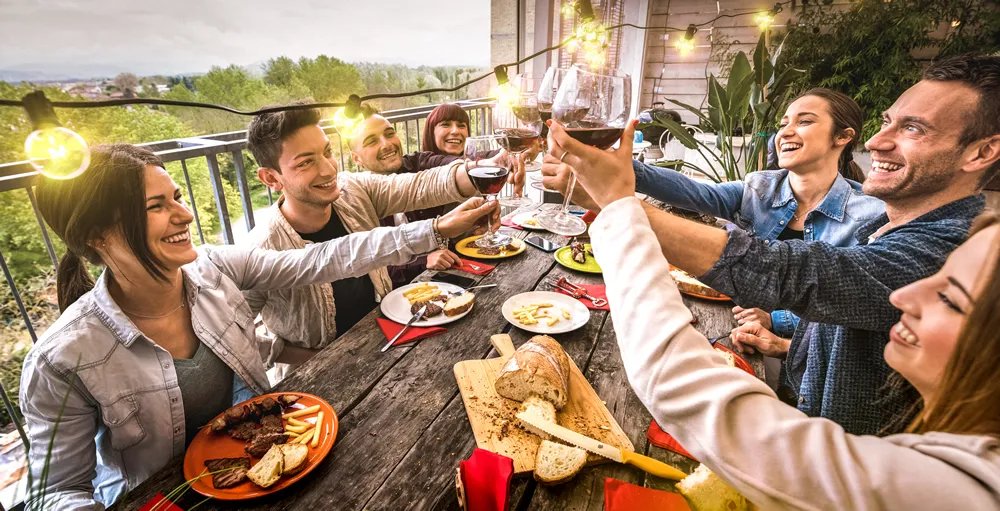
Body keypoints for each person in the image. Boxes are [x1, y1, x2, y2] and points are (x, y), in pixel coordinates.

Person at [18, 144, 496, 509]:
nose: (185, 214)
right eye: (156, 206)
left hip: (266, 466)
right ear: (96, 236)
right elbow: (55, 492)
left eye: (177, 197)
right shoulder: (63, 358)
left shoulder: (213, 267)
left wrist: (434, 230)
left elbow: (319, 260)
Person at [543, 54, 1000, 435]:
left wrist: (619, 204)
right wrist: (620, 173)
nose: (879, 142)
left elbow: (803, 276)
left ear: (982, 152)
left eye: (914, 129)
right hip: (794, 398)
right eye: (886, 123)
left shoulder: (957, 248)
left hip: (841, 469)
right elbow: (844, 314)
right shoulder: (780, 190)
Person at [586, 163, 1000, 508]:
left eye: (950, 299)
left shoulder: (948, 489)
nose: (903, 296)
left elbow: (688, 390)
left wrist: (621, 215)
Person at [631, 89, 884, 366]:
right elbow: (696, 193)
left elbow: (855, 301)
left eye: (804, 121)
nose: (785, 132)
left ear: (842, 136)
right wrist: (625, 168)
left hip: (811, 355)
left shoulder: (868, 215)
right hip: (742, 326)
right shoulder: (759, 187)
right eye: (783, 123)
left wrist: (776, 319)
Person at [245, 108, 487, 378]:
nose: (328, 169)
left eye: (327, 152)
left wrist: (483, 170)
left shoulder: (352, 190)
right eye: (305, 163)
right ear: (271, 178)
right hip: (313, 379)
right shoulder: (260, 248)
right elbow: (235, 335)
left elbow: (421, 185)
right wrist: (319, 358)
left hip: (385, 349)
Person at [350, 113, 465, 286]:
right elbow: (373, 268)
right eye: (372, 141)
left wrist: (491, 163)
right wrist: (423, 261)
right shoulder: (354, 200)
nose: (387, 144)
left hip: (447, 277)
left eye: (390, 134)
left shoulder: (418, 163)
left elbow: (456, 166)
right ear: (356, 158)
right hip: (399, 293)